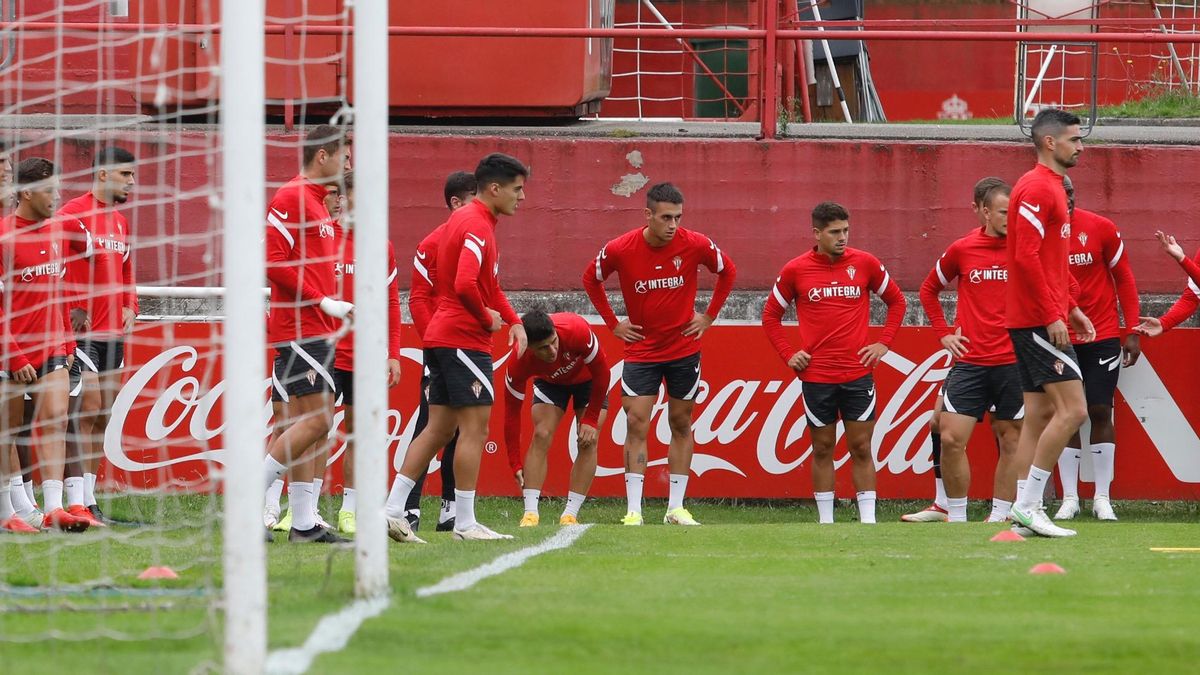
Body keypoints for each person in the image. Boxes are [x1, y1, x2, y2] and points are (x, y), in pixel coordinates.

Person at [384, 153, 529, 541]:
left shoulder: (463, 222)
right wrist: (487, 319)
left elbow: (487, 286)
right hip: (464, 339)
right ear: (494, 189)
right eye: (517, 189)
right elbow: (466, 285)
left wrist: (513, 320)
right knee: (474, 430)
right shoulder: (476, 224)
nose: (522, 197)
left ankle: (392, 509)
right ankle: (463, 522)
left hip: (442, 337)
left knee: (437, 429)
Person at [582, 182, 736, 527]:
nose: (672, 225)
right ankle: (634, 510)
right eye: (666, 217)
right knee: (637, 422)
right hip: (641, 350)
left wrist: (708, 316)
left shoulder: (695, 243)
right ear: (647, 215)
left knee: (681, 423)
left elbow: (728, 271)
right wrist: (612, 324)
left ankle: (676, 508)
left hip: (684, 348)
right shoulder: (620, 249)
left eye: (678, 217)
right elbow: (590, 279)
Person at [762, 201, 905, 524]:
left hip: (857, 373)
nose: (843, 237)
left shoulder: (865, 264)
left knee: (861, 446)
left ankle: (868, 521)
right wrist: (788, 353)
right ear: (817, 233)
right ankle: (826, 523)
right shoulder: (796, 270)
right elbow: (770, 316)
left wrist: (884, 343)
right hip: (817, 376)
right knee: (823, 447)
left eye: (846, 231)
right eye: (835, 232)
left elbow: (897, 301)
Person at [906, 178, 1022, 524]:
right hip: (970, 361)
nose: (1011, 217)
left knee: (1010, 439)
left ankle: (1000, 515)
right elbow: (928, 290)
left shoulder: (1026, 248)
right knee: (951, 437)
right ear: (985, 212)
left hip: (1014, 362)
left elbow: (1061, 288)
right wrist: (943, 334)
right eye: (1004, 211)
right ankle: (955, 516)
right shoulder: (962, 249)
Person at [1004, 108, 1096, 539]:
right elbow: (1025, 257)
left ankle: (1021, 511)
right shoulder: (1038, 188)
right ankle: (1028, 506)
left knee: (1039, 413)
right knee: (1074, 409)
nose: (1081, 146)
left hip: (1043, 315)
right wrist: (1053, 314)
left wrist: (1071, 305)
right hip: (1037, 320)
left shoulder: (1053, 187)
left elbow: (1050, 260)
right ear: (1049, 142)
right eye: (1075, 139)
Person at [261, 124, 354, 544]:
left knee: (311, 424)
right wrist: (321, 301)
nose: (349, 164)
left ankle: (302, 523)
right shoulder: (292, 196)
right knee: (317, 421)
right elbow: (273, 263)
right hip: (300, 326)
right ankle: (251, 500)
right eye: (345, 156)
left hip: (318, 326)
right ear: (324, 156)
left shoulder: (318, 203)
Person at [0, 158, 91, 531]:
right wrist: (14, 353)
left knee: (56, 419)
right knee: (7, 431)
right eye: (50, 189)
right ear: (25, 192)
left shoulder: (60, 230)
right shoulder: (4, 236)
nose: (57, 195)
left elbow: (61, 292)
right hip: (12, 350)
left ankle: (54, 508)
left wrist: (68, 343)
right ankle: (8, 513)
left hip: (54, 347)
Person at [57, 146, 138, 526]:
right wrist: (72, 302)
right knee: (84, 413)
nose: (132, 182)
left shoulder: (120, 221)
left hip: (113, 334)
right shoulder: (72, 213)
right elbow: (47, 257)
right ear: (103, 175)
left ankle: (90, 500)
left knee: (103, 415)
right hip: (83, 335)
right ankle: (75, 501)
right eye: (126, 175)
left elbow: (127, 270)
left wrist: (131, 305)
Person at [1054, 176, 1140, 522]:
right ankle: (1070, 498)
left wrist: (1132, 330)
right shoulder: (1040, 236)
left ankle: (1102, 498)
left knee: (1101, 410)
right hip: (1059, 336)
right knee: (1068, 415)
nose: (1069, 198)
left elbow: (1125, 278)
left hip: (1102, 334)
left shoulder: (1101, 228)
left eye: (1072, 192)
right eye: (1062, 194)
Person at [327, 171, 403, 535]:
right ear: (341, 197)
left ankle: (349, 510)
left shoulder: (380, 246)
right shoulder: (321, 236)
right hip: (323, 350)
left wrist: (394, 353)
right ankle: (300, 510)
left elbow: (391, 302)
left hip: (363, 356)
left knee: (358, 433)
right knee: (313, 430)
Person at [401, 170, 476, 533]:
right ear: (456, 203)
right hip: (443, 347)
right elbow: (417, 298)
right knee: (431, 426)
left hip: (471, 345)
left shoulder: (480, 237)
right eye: (474, 200)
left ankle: (449, 508)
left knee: (462, 426)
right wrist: (435, 343)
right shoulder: (431, 243)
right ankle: (407, 507)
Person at [502, 309, 609, 527]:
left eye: (553, 342)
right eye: (543, 348)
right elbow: (511, 413)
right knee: (541, 434)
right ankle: (530, 514)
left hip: (589, 381)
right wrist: (514, 462)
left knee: (588, 439)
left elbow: (603, 373)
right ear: (529, 347)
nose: (552, 351)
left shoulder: (575, 330)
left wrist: (590, 418)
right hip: (551, 383)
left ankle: (570, 514)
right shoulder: (519, 360)